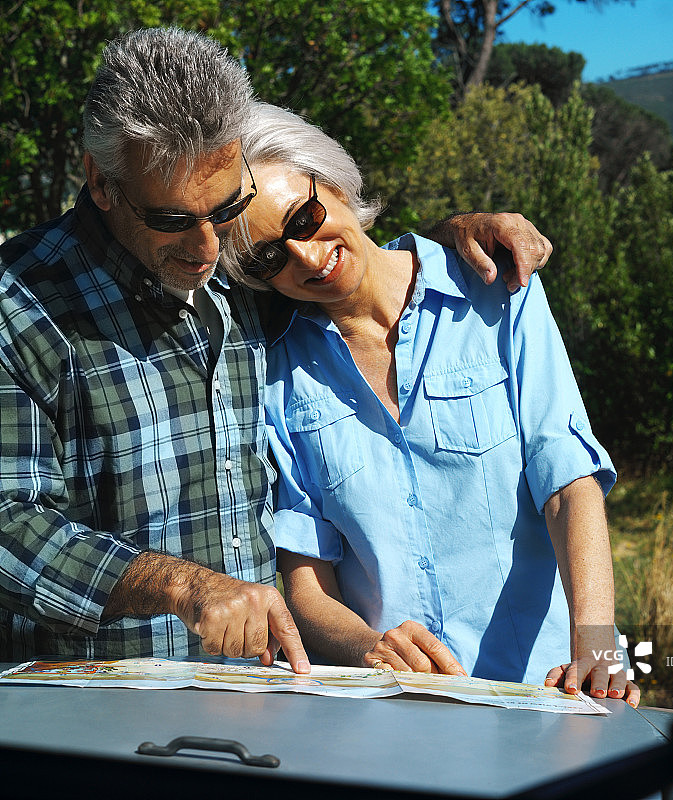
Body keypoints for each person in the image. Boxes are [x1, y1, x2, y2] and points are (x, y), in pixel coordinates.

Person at [0, 27, 551, 665]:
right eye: (174, 219)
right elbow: (10, 525)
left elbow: (334, 255)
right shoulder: (19, 309)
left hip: (272, 710)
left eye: (226, 208)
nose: (208, 250)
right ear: (101, 182)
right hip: (99, 716)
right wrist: (182, 587)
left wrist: (456, 235)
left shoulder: (248, 272)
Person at [224, 103, 639, 705]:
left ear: (336, 185)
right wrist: (371, 651)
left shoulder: (499, 288)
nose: (308, 258)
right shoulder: (276, 374)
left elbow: (567, 479)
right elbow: (308, 585)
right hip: (397, 714)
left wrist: (597, 646)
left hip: (548, 693)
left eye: (306, 217)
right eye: (270, 256)